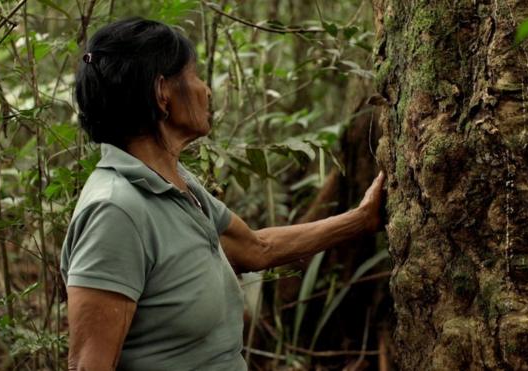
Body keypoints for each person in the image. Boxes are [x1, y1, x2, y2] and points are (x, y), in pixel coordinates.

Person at [61, 17, 385, 371]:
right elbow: (88, 366)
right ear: (162, 92)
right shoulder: (116, 211)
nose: (207, 89)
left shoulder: (175, 182)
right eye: (195, 75)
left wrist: (361, 219)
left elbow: (257, 248)